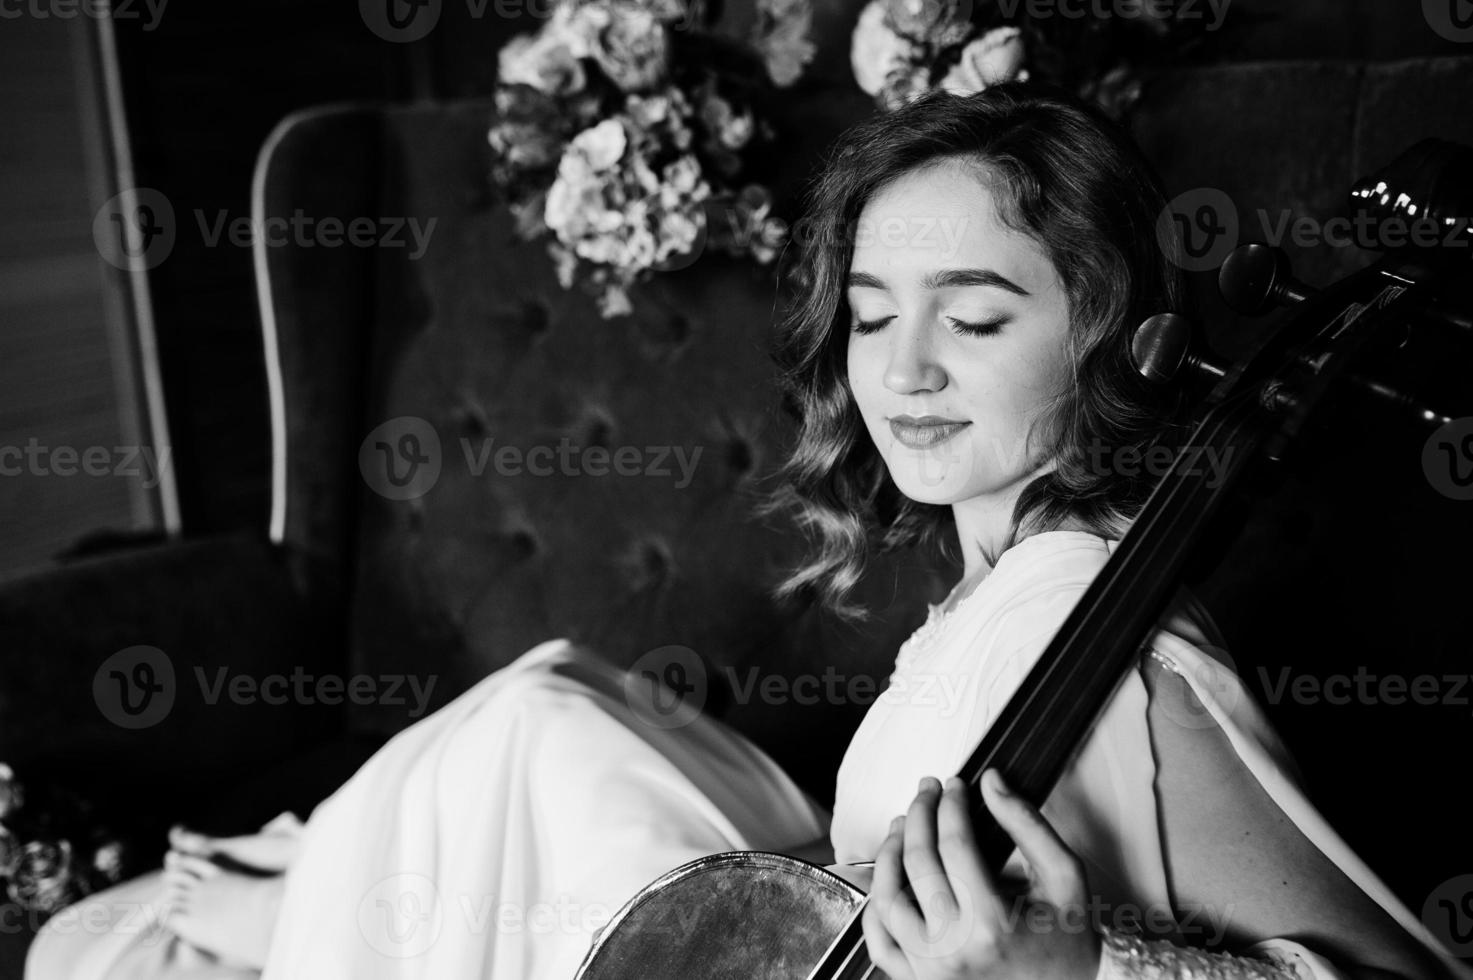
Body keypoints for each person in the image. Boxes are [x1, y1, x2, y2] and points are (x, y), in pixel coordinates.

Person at [25, 81, 1469, 980]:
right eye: (869, 317)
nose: (900, 372)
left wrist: (1073, 974)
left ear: (1134, 347)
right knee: (542, 711)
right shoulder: (988, 605)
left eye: (972, 317)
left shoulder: (1107, 647)